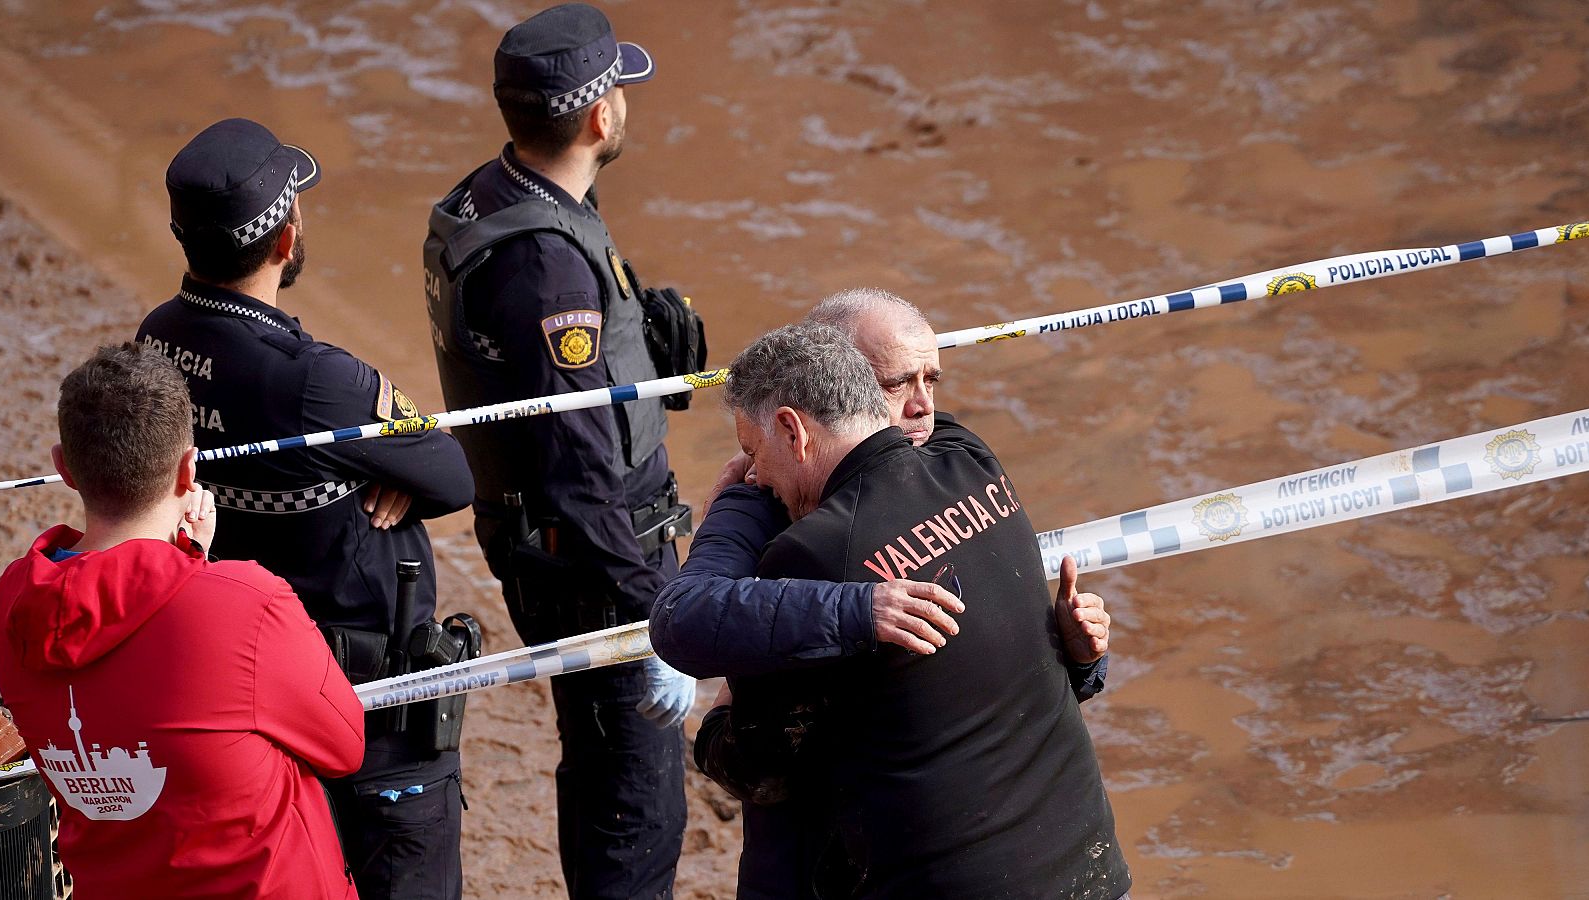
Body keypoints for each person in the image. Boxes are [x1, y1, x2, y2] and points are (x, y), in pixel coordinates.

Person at [136, 119, 474, 899]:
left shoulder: (156, 338)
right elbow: (453, 473)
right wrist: (374, 468)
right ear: (286, 238)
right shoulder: (322, 382)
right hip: (357, 705)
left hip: (229, 681)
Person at [696, 323, 1132, 899]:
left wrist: (722, 707)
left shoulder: (813, 552)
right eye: (902, 382)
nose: (755, 477)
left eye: (754, 454)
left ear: (792, 429)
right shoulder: (972, 464)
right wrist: (1080, 661)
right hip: (1088, 866)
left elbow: (759, 767)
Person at [421, 5, 699, 897]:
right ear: (598, 116)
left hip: (548, 546)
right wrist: (656, 617)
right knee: (636, 800)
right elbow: (579, 470)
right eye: (618, 88)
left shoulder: (500, 196)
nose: (624, 101)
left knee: (602, 767)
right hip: (592, 565)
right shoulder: (544, 265)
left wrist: (648, 358)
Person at [0, 343, 364, 899]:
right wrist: (199, 568)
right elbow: (345, 745)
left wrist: (186, 564)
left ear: (64, 468)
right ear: (190, 468)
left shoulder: (14, 604)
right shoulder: (248, 603)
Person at [652, 288, 1110, 698]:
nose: (925, 408)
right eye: (896, 383)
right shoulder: (965, 459)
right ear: (834, 382)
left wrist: (1081, 661)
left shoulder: (958, 454)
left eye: (930, 379)